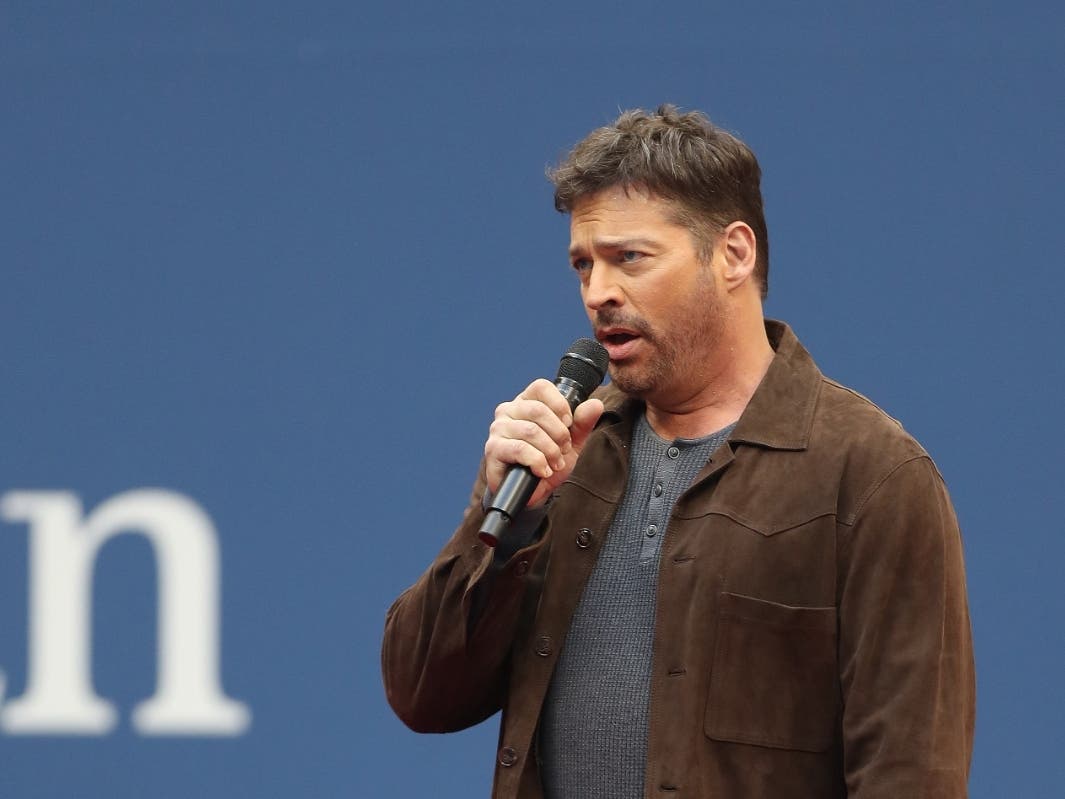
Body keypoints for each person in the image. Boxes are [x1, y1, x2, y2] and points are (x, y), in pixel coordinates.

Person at [382, 105, 975, 798]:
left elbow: (910, 774)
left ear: (732, 254)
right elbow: (421, 692)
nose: (597, 292)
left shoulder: (869, 475)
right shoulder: (568, 456)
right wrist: (503, 520)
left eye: (628, 258)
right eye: (583, 264)